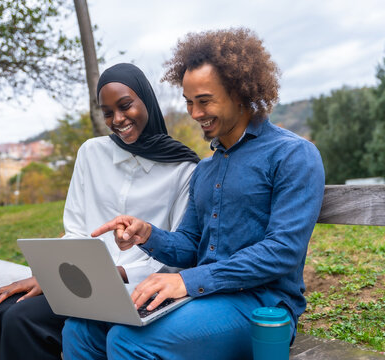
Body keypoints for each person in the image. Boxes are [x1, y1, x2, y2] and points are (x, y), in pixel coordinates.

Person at [61, 28, 326, 360]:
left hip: (262, 303)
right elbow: (188, 243)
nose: (196, 114)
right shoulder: (206, 169)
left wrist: (188, 282)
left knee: (128, 341)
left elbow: (282, 251)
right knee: (81, 329)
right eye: (189, 102)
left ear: (239, 92)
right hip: (203, 297)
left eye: (204, 101)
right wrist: (148, 235)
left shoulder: (292, 155)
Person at [0, 63, 199, 360]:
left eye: (125, 106)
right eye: (107, 112)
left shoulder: (184, 169)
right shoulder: (91, 153)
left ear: (146, 99)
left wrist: (104, 275)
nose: (117, 119)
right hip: (79, 283)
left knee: (21, 319)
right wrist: (50, 276)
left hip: (137, 290)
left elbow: (178, 253)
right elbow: (76, 230)